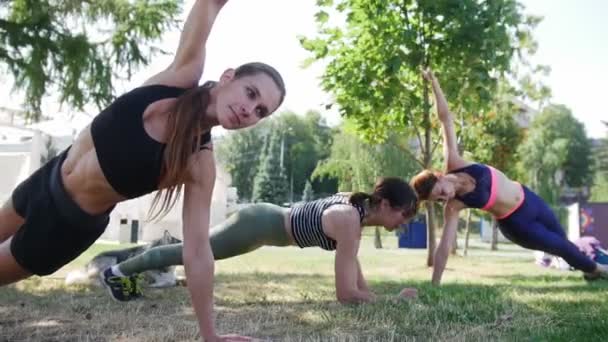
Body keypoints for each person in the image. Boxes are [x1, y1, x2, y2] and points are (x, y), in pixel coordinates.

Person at [0, 1, 285, 340]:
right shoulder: (180, 76)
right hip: (46, 178)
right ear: (228, 78)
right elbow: (208, 6)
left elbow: (196, 252)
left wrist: (211, 336)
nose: (248, 110)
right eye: (250, 93)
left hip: (64, 226)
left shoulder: (199, 163)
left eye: (260, 111)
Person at [410, 69, 608, 285]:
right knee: (561, 247)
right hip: (518, 224)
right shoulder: (454, 206)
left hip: (530, 199)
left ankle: (591, 272)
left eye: (440, 192)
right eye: (438, 200)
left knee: (563, 242)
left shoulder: (455, 162)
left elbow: (445, 119)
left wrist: (434, 82)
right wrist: (435, 283)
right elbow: (445, 245)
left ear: (439, 177)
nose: (444, 198)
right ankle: (601, 270)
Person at [102, 177, 420, 303]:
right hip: (257, 225)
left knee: (192, 252)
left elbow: (355, 279)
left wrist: (371, 296)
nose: (404, 223)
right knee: (191, 253)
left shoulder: (356, 214)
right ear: (387, 205)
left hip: (263, 225)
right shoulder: (350, 219)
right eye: (404, 215)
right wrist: (394, 300)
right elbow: (345, 294)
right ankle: (116, 273)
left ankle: (129, 268)